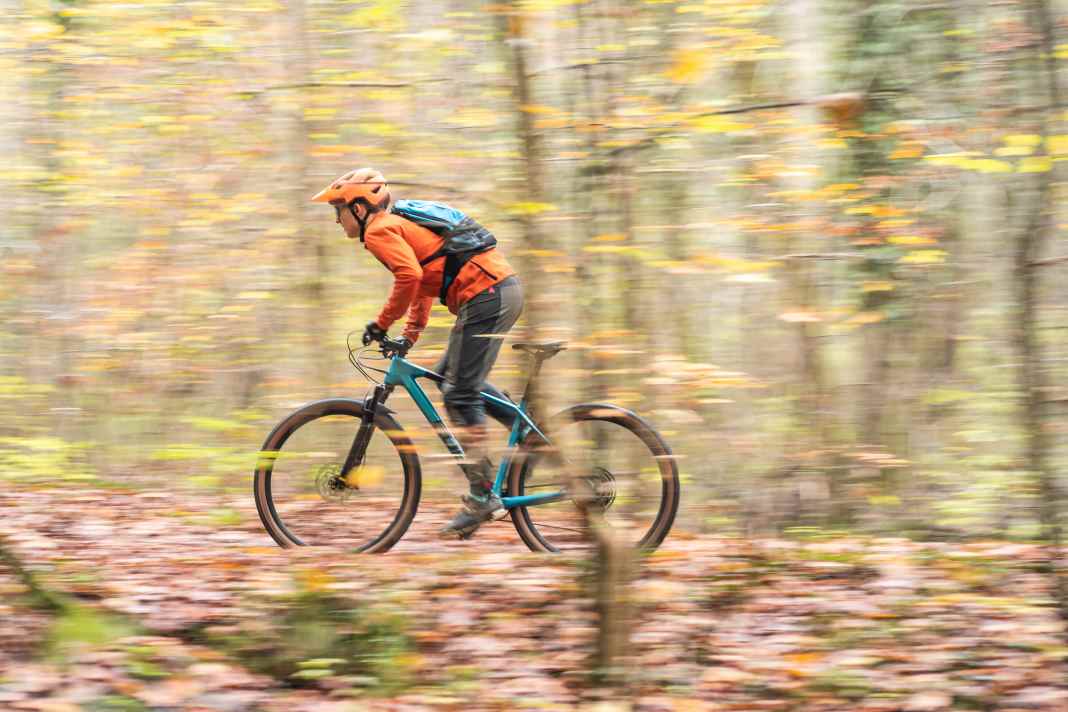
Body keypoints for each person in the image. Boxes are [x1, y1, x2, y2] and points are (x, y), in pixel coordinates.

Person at [311, 168, 523, 539]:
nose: (336, 218)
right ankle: (525, 432)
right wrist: (408, 336)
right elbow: (424, 281)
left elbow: (408, 277)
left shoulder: (379, 231)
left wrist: (380, 324)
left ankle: (483, 493)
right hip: (495, 292)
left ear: (360, 208)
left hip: (488, 294)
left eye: (339, 209)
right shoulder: (394, 227)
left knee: (459, 391)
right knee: (451, 379)